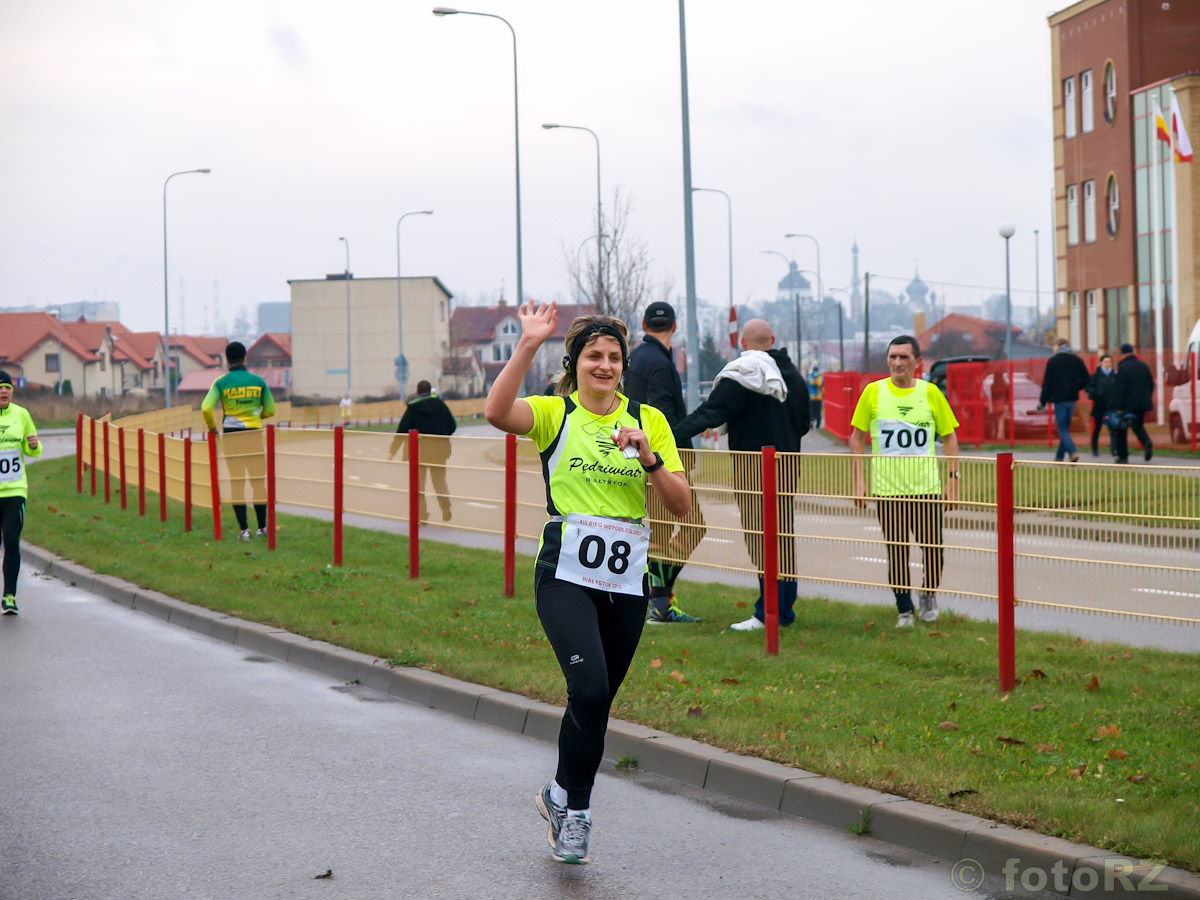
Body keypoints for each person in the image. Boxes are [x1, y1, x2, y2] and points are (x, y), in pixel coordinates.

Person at [484, 300, 691, 866]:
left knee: (596, 705)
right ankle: (577, 813)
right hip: (565, 574)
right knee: (591, 690)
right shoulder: (555, 413)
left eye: (614, 357)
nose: (604, 365)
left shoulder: (649, 421)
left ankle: (558, 795)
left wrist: (650, 459)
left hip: (625, 581)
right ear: (575, 363)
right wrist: (527, 343)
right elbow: (496, 412)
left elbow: (680, 504)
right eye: (594, 356)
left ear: (624, 365)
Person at [673, 319, 810, 631]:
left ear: (743, 344)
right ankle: (784, 609)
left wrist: (669, 435)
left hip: (753, 470)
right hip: (788, 467)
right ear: (772, 339)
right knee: (783, 537)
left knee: (761, 540)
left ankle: (767, 613)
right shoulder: (795, 379)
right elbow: (804, 424)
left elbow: (710, 413)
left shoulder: (743, 375)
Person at [849, 336, 960, 628]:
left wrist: (953, 482)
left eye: (904, 357)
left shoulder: (931, 393)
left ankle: (928, 595)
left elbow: (950, 437)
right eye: (893, 357)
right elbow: (856, 438)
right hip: (888, 491)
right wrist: (859, 481)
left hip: (926, 490)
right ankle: (904, 610)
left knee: (933, 550)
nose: (897, 363)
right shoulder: (873, 392)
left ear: (917, 362)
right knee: (896, 552)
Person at [624, 300, 706, 624]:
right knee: (693, 526)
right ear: (674, 326)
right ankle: (658, 601)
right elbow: (662, 417)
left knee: (659, 532)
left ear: (644, 325)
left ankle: (658, 600)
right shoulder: (660, 363)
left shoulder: (636, 358)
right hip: (659, 461)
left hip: (639, 456)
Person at [201, 342, 276, 541]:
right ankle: (263, 527)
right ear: (245, 358)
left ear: (227, 359)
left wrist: (212, 428)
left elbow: (206, 408)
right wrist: (255, 416)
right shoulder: (258, 381)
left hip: (231, 436)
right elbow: (271, 410)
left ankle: (244, 530)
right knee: (257, 482)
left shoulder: (221, 382)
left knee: (237, 482)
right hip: (253, 435)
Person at [0, 371, 42, 615]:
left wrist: (34, 445)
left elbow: (32, 449)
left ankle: (9, 596)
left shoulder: (22, 414)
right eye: (0, 388)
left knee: (11, 540)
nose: (3, 391)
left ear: (12, 391)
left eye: (7, 387)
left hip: (15, 490)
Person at [388, 380, 457, 522]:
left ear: (417, 391)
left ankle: (422, 514)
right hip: (438, 451)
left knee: (419, 484)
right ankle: (445, 506)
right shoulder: (440, 405)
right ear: (430, 391)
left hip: (418, 452)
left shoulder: (413, 407)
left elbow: (402, 430)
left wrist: (392, 451)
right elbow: (452, 425)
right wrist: (442, 435)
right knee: (439, 481)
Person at [1038, 338, 1090, 462]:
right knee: (1065, 428)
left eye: (1054, 346)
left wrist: (1042, 400)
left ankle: (1073, 452)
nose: (1053, 349)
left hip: (1059, 399)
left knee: (1062, 428)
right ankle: (1059, 456)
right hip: (1072, 399)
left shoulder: (1053, 361)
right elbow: (1086, 378)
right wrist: (1076, 388)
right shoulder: (1077, 360)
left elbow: (1047, 383)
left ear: (1059, 346)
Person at [1111, 343, 1155, 463]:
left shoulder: (1123, 367)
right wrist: (1147, 397)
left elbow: (1121, 389)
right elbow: (1151, 384)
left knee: (1121, 429)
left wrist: (1119, 407)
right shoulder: (1144, 366)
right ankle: (1146, 441)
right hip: (1143, 403)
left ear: (1122, 353)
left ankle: (1123, 456)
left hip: (1128, 404)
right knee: (1137, 425)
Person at [1086, 353, 1118, 457]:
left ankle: (1114, 449)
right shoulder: (1095, 376)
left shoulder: (1115, 375)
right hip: (1099, 405)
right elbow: (1089, 388)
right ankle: (1095, 449)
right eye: (1106, 362)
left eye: (1109, 362)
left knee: (1113, 428)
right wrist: (1095, 394)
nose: (1108, 364)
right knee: (1097, 428)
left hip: (1112, 406)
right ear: (1101, 363)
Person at [806, 364, 824, 430]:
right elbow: (821, 385)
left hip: (811, 397)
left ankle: (811, 422)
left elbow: (807, 385)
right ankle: (818, 424)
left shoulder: (809, 377)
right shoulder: (820, 377)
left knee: (811, 410)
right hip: (818, 397)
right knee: (818, 410)